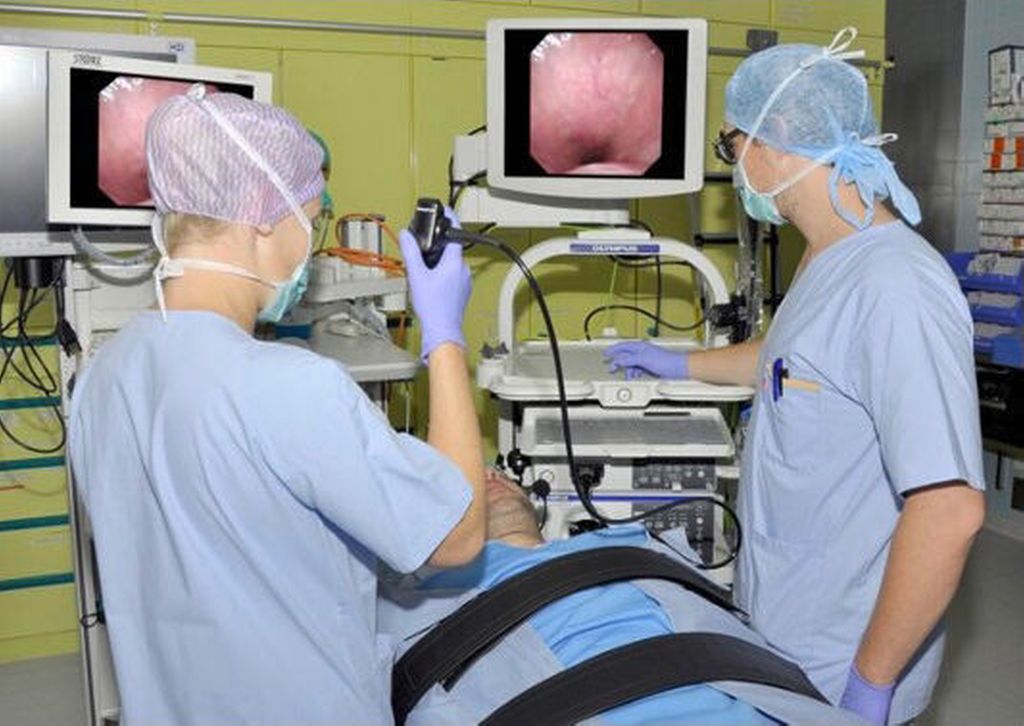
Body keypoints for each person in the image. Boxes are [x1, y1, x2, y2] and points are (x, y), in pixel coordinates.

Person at [603, 28, 985, 725]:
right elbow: (788, 360)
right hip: (784, 622)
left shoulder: (895, 288)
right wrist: (677, 364)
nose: (734, 168)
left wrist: (871, 681)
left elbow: (950, 510)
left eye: (730, 146)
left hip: (845, 656)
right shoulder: (826, 254)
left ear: (775, 141)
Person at [69, 86, 485, 724]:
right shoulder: (291, 386)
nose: (310, 245)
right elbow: (457, 538)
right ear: (263, 218)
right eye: (310, 219)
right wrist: (445, 336)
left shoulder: (101, 377)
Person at [380, 469, 865, 725]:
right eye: (465, 479)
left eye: (501, 475)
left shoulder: (635, 546)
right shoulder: (412, 600)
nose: (491, 476)